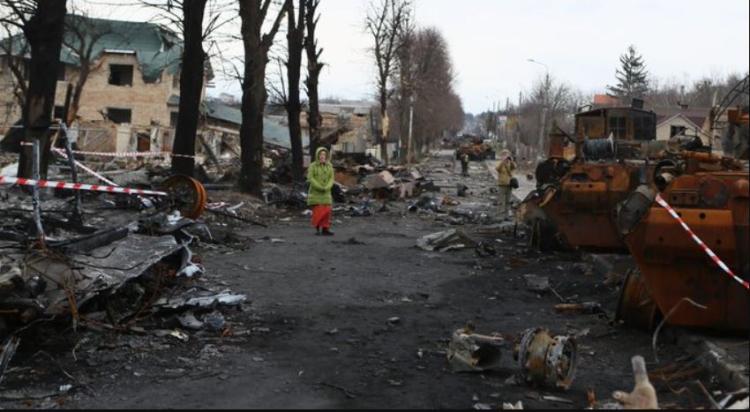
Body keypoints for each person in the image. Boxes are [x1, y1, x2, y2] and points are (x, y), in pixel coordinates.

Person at [307, 147, 335, 236]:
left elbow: (331, 178)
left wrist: (327, 187)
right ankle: (318, 228)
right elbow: (310, 178)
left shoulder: (329, 166)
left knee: (327, 211)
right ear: (317, 155)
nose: (322, 156)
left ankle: (325, 229)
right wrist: (319, 187)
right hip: (316, 192)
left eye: (324, 154)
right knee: (318, 211)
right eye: (321, 154)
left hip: (326, 192)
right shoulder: (313, 165)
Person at [496, 151, 517, 220]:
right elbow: (497, 169)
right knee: (501, 201)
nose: (506, 156)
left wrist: (511, 160)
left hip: (509, 184)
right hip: (502, 184)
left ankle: (506, 216)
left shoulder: (510, 163)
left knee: (508, 201)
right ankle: (499, 215)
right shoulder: (500, 163)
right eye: (504, 155)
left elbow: (515, 167)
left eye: (507, 155)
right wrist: (503, 161)